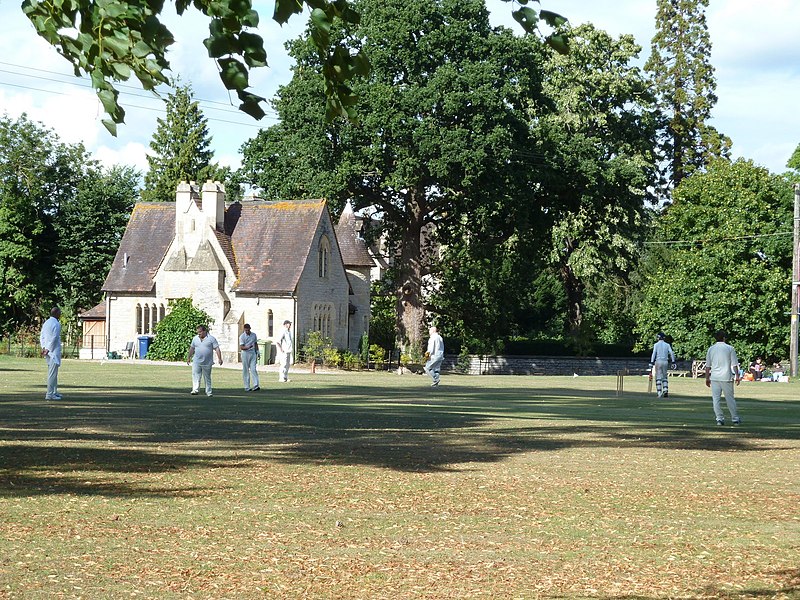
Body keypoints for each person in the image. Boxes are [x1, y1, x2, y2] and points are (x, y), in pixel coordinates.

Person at [705, 330, 742, 426]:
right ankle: (735, 418)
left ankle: (719, 419)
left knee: (716, 400)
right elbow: (734, 364)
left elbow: (708, 366)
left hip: (715, 377)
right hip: (726, 377)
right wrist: (737, 376)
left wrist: (707, 378)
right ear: (724, 338)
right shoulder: (729, 348)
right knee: (730, 399)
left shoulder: (711, 349)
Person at [187, 325, 223, 396]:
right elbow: (192, 348)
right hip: (196, 361)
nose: (199, 333)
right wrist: (189, 357)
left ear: (204, 331)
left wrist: (219, 358)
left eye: (200, 332)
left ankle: (208, 391)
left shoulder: (211, 339)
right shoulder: (195, 339)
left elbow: (217, 349)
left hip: (207, 362)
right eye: (198, 332)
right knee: (196, 375)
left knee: (207, 377)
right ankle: (195, 390)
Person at [39, 306, 63, 400]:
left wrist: (44, 347)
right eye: (59, 313)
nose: (60, 314)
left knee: (53, 372)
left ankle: (54, 391)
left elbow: (42, 336)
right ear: (56, 313)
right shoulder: (56, 324)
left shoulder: (46, 323)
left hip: (48, 350)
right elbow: (54, 338)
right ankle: (49, 394)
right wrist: (48, 349)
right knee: (52, 373)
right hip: (53, 351)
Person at [650, 332, 676, 398]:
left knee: (658, 377)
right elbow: (671, 353)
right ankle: (665, 390)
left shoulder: (656, 345)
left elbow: (654, 353)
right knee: (664, 377)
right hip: (665, 361)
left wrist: (652, 362)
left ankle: (659, 393)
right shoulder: (667, 345)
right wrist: (673, 362)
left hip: (658, 361)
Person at [239, 323, 260, 391]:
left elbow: (255, 343)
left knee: (253, 369)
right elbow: (242, 347)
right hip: (245, 354)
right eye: (246, 330)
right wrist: (247, 347)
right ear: (244, 330)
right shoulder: (242, 337)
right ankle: (247, 386)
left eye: (248, 330)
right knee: (246, 370)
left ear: (250, 329)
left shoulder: (254, 335)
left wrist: (258, 352)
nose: (247, 332)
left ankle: (256, 385)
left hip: (252, 353)